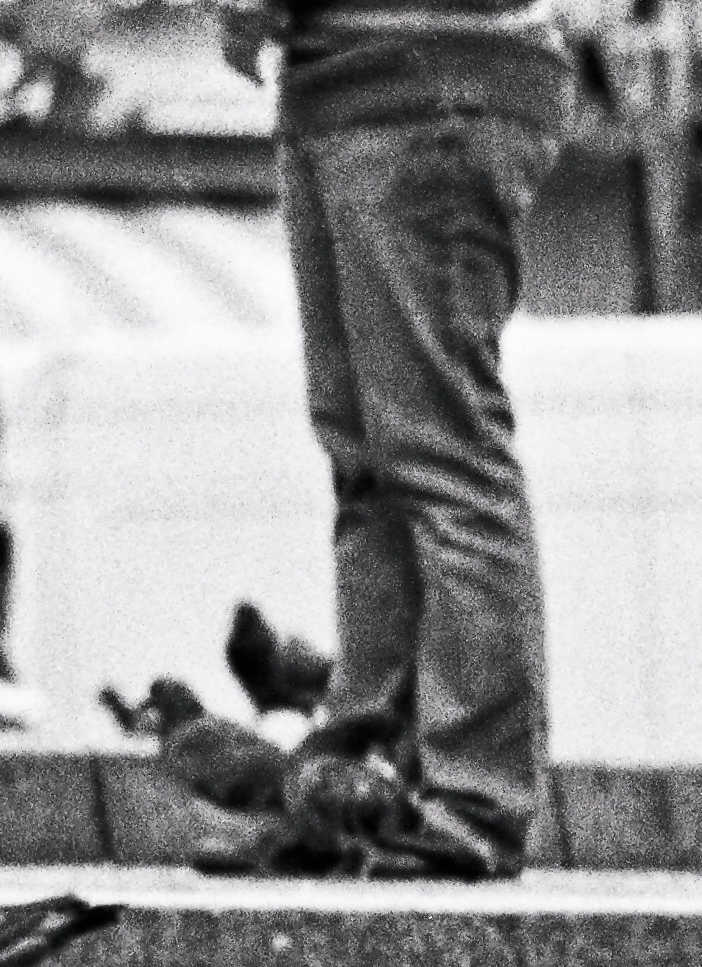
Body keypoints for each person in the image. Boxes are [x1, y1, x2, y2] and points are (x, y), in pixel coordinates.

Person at [219, 0, 574, 878]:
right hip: (342, 73)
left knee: (439, 451)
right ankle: (357, 797)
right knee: (365, 458)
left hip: (425, 71)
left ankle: (474, 800)